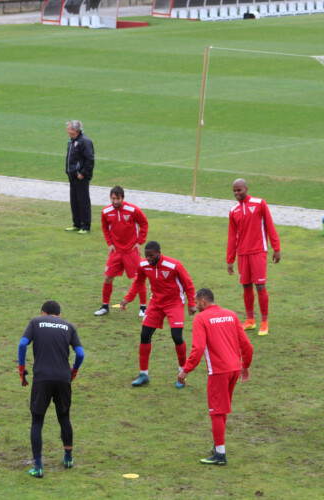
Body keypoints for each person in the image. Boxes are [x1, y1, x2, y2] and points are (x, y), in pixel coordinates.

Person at [178, 288, 253, 466]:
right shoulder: (231, 315)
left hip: (218, 372)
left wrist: (185, 371)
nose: (195, 306)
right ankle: (218, 445)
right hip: (234, 369)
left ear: (203, 301)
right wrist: (245, 366)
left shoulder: (201, 318)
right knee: (223, 409)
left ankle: (220, 454)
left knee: (216, 412)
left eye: (196, 303)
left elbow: (197, 350)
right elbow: (247, 345)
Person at [18, 300, 84, 478]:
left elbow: (23, 344)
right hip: (63, 378)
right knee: (64, 417)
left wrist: (21, 368)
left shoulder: (36, 322)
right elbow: (80, 353)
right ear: (59, 315)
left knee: (37, 422)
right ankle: (68, 458)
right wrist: (74, 370)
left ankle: (38, 466)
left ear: (43, 312)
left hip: (42, 378)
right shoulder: (68, 326)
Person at [120, 241, 196, 388]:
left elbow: (188, 284)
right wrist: (127, 299)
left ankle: (182, 373)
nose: (148, 258)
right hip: (156, 303)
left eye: (151, 255)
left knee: (177, 337)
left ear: (159, 253)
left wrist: (192, 303)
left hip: (174, 303)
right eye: (147, 255)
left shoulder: (174, 265)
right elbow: (138, 282)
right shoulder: (143, 265)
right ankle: (144, 374)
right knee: (144, 335)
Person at [226, 179, 281, 336]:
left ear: (246, 189)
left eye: (239, 190)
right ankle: (250, 320)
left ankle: (264, 322)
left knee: (260, 286)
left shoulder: (259, 203)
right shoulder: (233, 210)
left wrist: (276, 248)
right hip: (242, 254)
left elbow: (270, 225)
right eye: (234, 191)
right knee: (246, 286)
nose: (237, 193)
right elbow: (232, 236)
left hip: (258, 251)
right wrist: (230, 259)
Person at [94, 186, 149, 317]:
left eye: (118, 199)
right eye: (113, 199)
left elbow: (144, 223)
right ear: (110, 198)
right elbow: (104, 227)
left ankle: (143, 308)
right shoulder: (106, 211)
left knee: (139, 278)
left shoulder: (133, 210)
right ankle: (105, 306)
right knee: (108, 277)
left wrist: (140, 242)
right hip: (116, 251)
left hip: (131, 251)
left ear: (123, 198)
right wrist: (110, 243)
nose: (116, 201)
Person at [64, 120, 94, 234]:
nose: (67, 130)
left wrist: (83, 173)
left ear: (75, 130)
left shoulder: (84, 141)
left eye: (68, 128)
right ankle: (76, 223)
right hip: (72, 176)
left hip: (80, 177)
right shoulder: (71, 141)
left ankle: (86, 225)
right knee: (74, 200)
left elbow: (89, 160)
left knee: (83, 201)